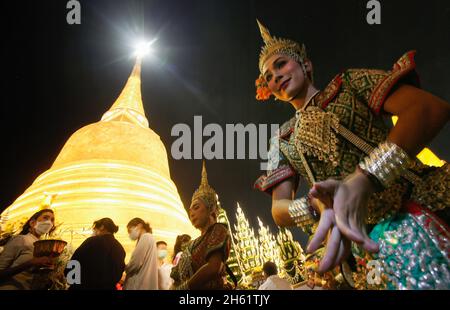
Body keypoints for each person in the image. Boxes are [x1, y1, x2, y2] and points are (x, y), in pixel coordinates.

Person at [254, 20, 450, 289]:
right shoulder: (281, 139)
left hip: (413, 206)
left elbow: (426, 109)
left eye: (281, 64)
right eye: (268, 77)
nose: (275, 76)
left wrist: (365, 178)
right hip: (359, 247)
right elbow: (278, 209)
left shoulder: (348, 84)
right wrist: (316, 207)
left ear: (306, 65)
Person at [170, 161, 232, 290]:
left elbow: (213, 267)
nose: (192, 213)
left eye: (196, 207)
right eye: (190, 210)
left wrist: (185, 287)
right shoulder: (191, 244)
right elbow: (176, 276)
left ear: (210, 208)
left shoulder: (218, 230)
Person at [0, 209, 56, 290]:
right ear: (32, 223)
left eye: (52, 220)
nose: (49, 222)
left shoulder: (43, 246)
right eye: (45, 218)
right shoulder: (21, 239)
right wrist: (30, 263)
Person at [66, 218, 125, 290]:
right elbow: (119, 272)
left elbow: (74, 263)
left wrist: (72, 281)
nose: (94, 231)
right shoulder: (120, 248)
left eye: (95, 229)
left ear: (102, 227)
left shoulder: (92, 241)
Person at [123, 218, 158, 290]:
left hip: (140, 285)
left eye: (130, 231)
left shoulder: (145, 237)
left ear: (139, 226)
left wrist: (125, 268)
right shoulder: (150, 238)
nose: (130, 234)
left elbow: (136, 263)